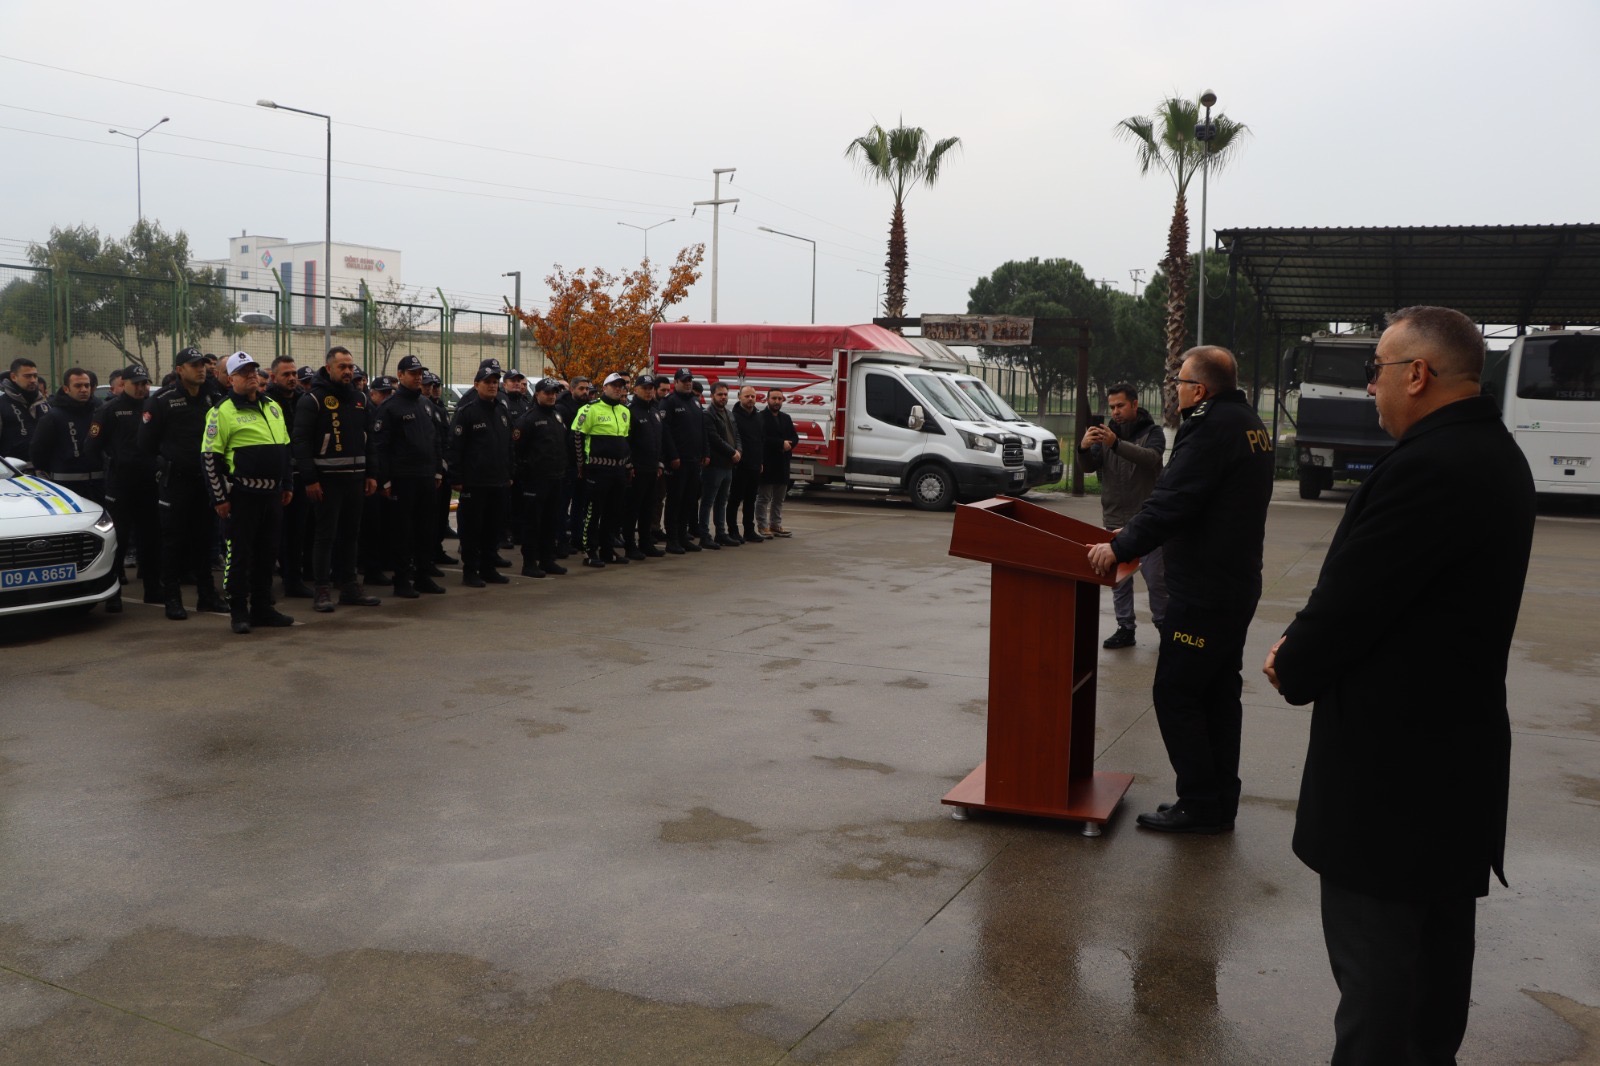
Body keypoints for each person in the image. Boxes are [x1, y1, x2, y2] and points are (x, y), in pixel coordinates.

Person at [1263, 306, 1537, 1065]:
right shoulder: (1496, 454)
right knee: (1431, 984)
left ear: (1416, 374)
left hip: (1392, 786)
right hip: (1452, 773)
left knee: (1381, 989)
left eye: (1375, 370)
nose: (1370, 387)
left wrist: (1292, 658)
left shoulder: (1427, 467)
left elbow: (1354, 600)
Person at [1086, 346, 1274, 834]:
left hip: (1205, 591)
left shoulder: (1209, 428)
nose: (1176, 390)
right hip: (1234, 583)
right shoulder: (1248, 422)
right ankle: (1218, 802)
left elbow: (1172, 500)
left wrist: (1120, 546)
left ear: (1200, 389)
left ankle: (1199, 803)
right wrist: (1132, 534)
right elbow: (1197, 501)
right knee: (1218, 695)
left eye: (1181, 382)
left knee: (1178, 693)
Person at [202, 353, 296, 634]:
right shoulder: (222, 411)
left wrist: (287, 484)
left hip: (272, 495)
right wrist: (219, 498)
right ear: (231, 379)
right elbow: (209, 459)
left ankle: (263, 608)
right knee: (240, 556)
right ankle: (239, 611)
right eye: (244, 372)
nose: (251, 375)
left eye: (253, 370)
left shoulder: (272, 406)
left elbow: (284, 447)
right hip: (242, 496)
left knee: (268, 554)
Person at [1079, 383, 1169, 649]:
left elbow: (1151, 459)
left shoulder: (1153, 432)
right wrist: (1083, 448)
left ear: (1135, 404)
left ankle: (1166, 627)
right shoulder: (1106, 435)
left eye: (1120, 406)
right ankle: (1125, 628)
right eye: (1112, 407)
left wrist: (1116, 444)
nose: (1115, 412)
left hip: (1147, 521)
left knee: (1156, 580)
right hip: (1114, 519)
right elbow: (1088, 467)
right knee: (1118, 580)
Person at [293, 345, 381, 614]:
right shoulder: (313, 400)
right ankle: (322, 589)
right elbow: (300, 442)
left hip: (356, 479)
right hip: (326, 481)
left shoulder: (360, 399)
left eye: (350, 367)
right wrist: (310, 479)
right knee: (325, 536)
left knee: (351, 535)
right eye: (342, 367)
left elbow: (370, 439)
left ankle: (349, 586)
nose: (348, 371)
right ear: (328, 368)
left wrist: (372, 474)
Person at [140, 347, 226, 620]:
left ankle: (207, 596)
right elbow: (146, 444)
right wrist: (164, 465)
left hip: (205, 481)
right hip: (175, 482)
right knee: (173, 542)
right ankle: (172, 598)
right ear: (179, 370)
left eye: (202, 365)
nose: (201, 369)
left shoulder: (213, 397)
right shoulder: (162, 400)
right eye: (194, 365)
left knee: (204, 540)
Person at [371, 357, 447, 598]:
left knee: (426, 529)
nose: (418, 377)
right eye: (413, 373)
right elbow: (380, 447)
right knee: (402, 532)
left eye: (419, 373)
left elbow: (434, 439)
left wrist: (437, 470)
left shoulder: (425, 404)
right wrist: (384, 480)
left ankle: (423, 576)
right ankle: (402, 580)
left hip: (426, 476)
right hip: (402, 479)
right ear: (400, 374)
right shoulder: (390, 407)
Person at [90, 364, 160, 609]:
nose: (141, 388)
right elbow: (93, 446)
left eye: (144, 383)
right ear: (124, 383)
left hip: (149, 483)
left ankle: (153, 588)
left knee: (151, 538)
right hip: (121, 484)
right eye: (136, 383)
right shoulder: (109, 409)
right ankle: (113, 593)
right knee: (118, 539)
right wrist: (113, 464)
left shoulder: (152, 406)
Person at [448, 364, 514, 587]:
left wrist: (509, 473)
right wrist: (456, 478)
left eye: (495, 382)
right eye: (488, 382)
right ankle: (470, 571)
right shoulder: (466, 412)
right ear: (476, 385)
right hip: (474, 482)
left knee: (493, 528)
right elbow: (455, 447)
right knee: (472, 529)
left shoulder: (502, 411)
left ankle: (488, 568)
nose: (492, 386)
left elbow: (508, 446)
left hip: (498, 480)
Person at [571, 372, 632, 568]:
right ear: (604, 388)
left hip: (618, 470)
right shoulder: (590, 409)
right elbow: (577, 436)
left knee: (613, 512)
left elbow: (626, 441)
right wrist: (581, 465)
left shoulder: (625, 411)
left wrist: (628, 465)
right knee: (593, 512)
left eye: (620, 386)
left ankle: (607, 550)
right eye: (613, 385)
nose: (617, 389)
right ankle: (590, 551)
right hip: (597, 469)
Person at [512, 378, 571, 578]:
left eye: (554, 392)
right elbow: (517, 450)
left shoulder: (557, 415)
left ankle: (547, 559)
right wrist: (526, 473)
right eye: (547, 392)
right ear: (537, 394)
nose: (551, 396)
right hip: (535, 480)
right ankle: (529, 563)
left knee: (550, 521)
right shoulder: (528, 419)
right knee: (532, 523)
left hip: (556, 477)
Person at [266, 355, 313, 600]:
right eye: (286, 374)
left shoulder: (304, 400)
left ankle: (294, 579)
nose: (292, 378)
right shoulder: (266, 402)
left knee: (297, 531)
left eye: (294, 373)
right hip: (275, 476)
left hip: (300, 474)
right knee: (274, 533)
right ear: (273, 377)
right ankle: (264, 582)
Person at [30, 367, 106, 504]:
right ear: (66, 389)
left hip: (98, 486)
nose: (84, 389)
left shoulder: (99, 413)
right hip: (65, 488)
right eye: (78, 386)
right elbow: (38, 451)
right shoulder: (53, 416)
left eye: (87, 385)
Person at [623, 373, 673, 560]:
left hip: (652, 469)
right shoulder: (630, 411)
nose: (649, 391)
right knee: (632, 510)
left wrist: (659, 462)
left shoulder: (655, 411)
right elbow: (625, 441)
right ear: (635, 389)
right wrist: (629, 465)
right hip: (637, 469)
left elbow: (658, 440)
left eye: (651, 388)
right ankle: (630, 545)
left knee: (648, 508)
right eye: (645, 388)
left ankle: (646, 543)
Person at [659, 367, 708, 554]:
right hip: (678, 462)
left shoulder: (695, 402)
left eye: (690, 380)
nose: (688, 383)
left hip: (694, 461)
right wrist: (673, 456)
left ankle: (682, 536)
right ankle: (672, 539)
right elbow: (665, 432)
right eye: (684, 380)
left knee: (689, 501)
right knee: (675, 500)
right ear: (676, 382)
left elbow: (702, 429)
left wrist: (705, 452)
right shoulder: (669, 402)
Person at [699, 381, 741, 548]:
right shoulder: (708, 415)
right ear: (712, 396)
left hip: (728, 465)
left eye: (725, 394)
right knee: (708, 501)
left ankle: (721, 534)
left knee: (722, 501)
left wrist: (738, 451)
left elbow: (736, 435)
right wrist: (732, 452)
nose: (723, 397)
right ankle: (704, 535)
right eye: (720, 394)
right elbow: (714, 438)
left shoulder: (729, 414)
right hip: (715, 465)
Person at [757, 388, 799, 537]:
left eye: (779, 399)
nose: (776, 401)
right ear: (767, 399)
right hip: (768, 463)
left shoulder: (786, 418)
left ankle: (775, 525)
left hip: (783, 463)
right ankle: (763, 526)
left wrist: (790, 444)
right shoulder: (760, 417)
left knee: (779, 499)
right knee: (764, 498)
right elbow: (762, 438)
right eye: (774, 398)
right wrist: (781, 443)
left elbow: (794, 437)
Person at [730, 384, 766, 543]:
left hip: (754, 465)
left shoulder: (758, 416)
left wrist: (760, 461)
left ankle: (749, 530)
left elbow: (761, 440)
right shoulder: (733, 417)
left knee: (750, 500)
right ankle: (732, 531)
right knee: (735, 500)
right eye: (747, 396)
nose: (750, 399)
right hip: (739, 466)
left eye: (753, 396)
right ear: (739, 397)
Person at [1, 357, 50, 459]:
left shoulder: (44, 404)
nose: (33, 380)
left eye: (35, 376)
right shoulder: (2, 404)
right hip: (13, 467)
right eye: (27, 376)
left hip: (44, 466)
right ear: (14, 377)